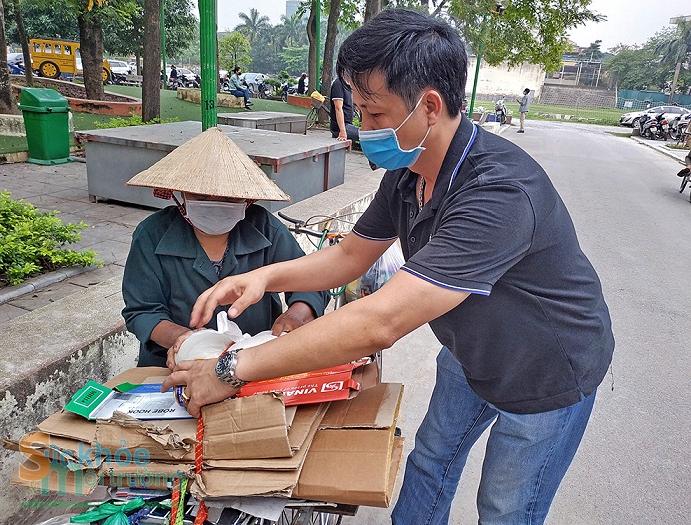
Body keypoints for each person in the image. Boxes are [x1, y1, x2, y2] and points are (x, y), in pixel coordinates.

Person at [163, 9, 614, 525]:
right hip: (472, 351)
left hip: (544, 371)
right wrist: (264, 277)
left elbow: (380, 321)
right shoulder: (408, 172)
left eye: (375, 115)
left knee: (505, 505)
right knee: (430, 462)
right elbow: (351, 255)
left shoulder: (498, 193)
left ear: (429, 106)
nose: (363, 128)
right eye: (358, 111)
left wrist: (230, 368)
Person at [122, 127, 329, 368]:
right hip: (174, 367)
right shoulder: (152, 234)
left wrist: (295, 316)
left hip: (253, 365)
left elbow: (310, 283)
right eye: (203, 196)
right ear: (180, 195)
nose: (216, 203)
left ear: (246, 199)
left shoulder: (266, 228)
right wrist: (181, 339)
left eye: (228, 198)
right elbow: (143, 311)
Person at [329, 76, 359, 142]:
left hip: (348, 124)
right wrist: (342, 131)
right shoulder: (338, 84)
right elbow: (338, 108)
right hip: (341, 127)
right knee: (366, 135)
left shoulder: (348, 85)